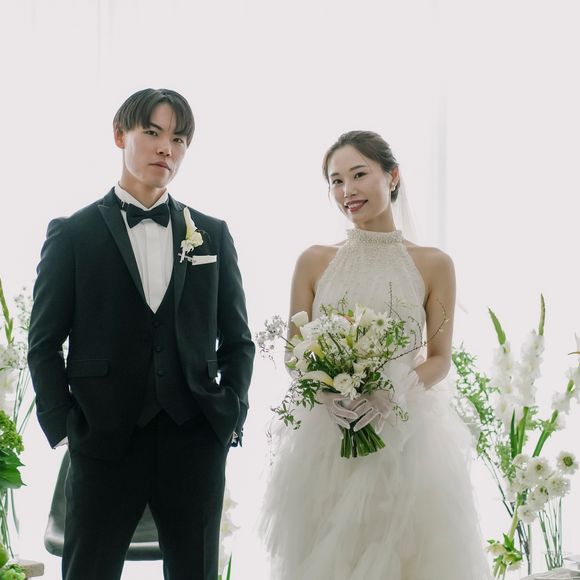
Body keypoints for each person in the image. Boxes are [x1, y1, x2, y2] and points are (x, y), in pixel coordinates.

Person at [28, 88, 255, 580]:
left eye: (178, 138)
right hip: (103, 441)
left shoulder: (211, 233)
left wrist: (229, 414)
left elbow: (238, 340)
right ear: (119, 135)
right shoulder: (72, 234)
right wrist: (65, 426)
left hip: (194, 440)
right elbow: (43, 343)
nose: (165, 148)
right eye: (152, 132)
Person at [259, 131, 492, 579]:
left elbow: (439, 358)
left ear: (393, 176)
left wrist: (390, 394)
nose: (347, 190)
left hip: (406, 438)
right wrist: (327, 394)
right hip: (327, 439)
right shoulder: (313, 260)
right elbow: (294, 353)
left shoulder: (434, 263)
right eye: (336, 181)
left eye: (359, 175)